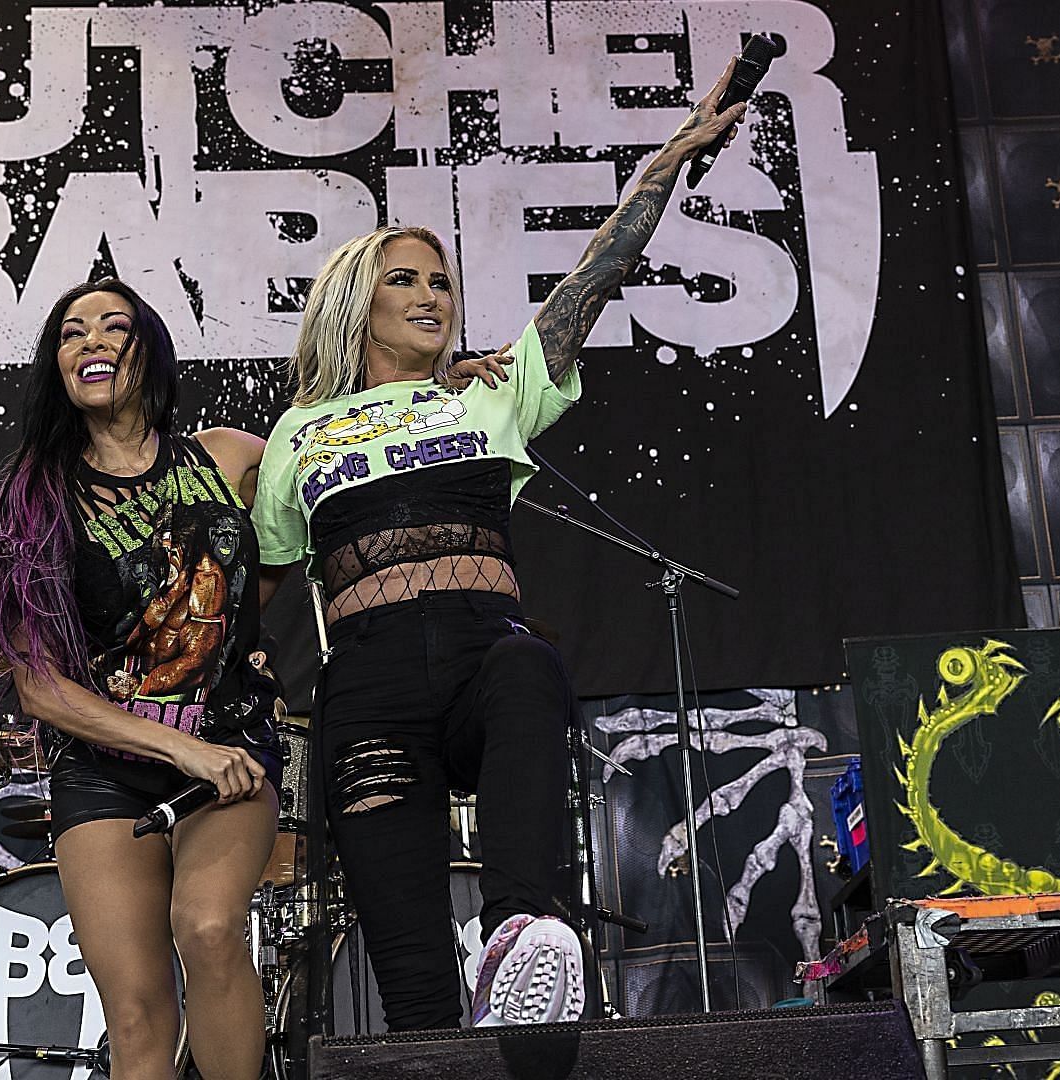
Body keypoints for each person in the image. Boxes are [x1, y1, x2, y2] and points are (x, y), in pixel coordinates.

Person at [252, 58, 749, 1030]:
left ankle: (521, 930)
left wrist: (669, 162)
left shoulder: (488, 388)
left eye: (442, 280)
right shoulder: (300, 434)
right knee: (415, 989)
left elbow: (596, 278)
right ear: (360, 302)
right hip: (368, 698)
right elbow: (255, 591)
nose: (432, 295)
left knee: (530, 667)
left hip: (485, 657)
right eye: (406, 280)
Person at [0, 278, 281, 1080]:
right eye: (69, 332)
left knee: (208, 929)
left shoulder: (232, 458)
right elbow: (42, 690)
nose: (89, 340)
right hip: (104, 771)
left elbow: (280, 557)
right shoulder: (37, 498)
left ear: (149, 347)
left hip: (227, 753)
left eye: (112, 325)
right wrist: (173, 745)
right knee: (133, 1010)